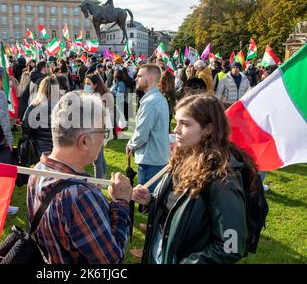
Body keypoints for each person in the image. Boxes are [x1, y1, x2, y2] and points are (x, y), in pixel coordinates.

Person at [132, 94, 257, 264]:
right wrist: (151, 200)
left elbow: (231, 247)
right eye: (176, 122)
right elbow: (180, 207)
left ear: (208, 129)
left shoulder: (223, 177)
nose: (175, 130)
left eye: (185, 124)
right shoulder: (184, 154)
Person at [27, 91, 132, 264]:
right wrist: (121, 202)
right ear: (84, 141)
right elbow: (111, 259)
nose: (105, 140)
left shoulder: (38, 170)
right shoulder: (79, 196)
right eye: (104, 132)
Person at [126, 64, 170, 193]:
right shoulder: (158, 98)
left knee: (149, 202)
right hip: (158, 157)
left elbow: (141, 134)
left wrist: (131, 144)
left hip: (150, 160)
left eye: (140, 76)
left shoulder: (150, 102)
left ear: (150, 79)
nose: (136, 78)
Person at [22, 76, 61, 165]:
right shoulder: (61, 107)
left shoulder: (34, 106)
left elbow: (26, 126)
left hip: (40, 148)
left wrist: (28, 138)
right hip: (54, 148)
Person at [84, 73, 114, 179]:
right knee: (100, 157)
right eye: (85, 83)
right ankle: (104, 179)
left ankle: (99, 186)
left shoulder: (96, 98)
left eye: (88, 83)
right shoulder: (98, 95)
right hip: (100, 130)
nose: (85, 86)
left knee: (96, 160)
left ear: (95, 85)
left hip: (96, 131)